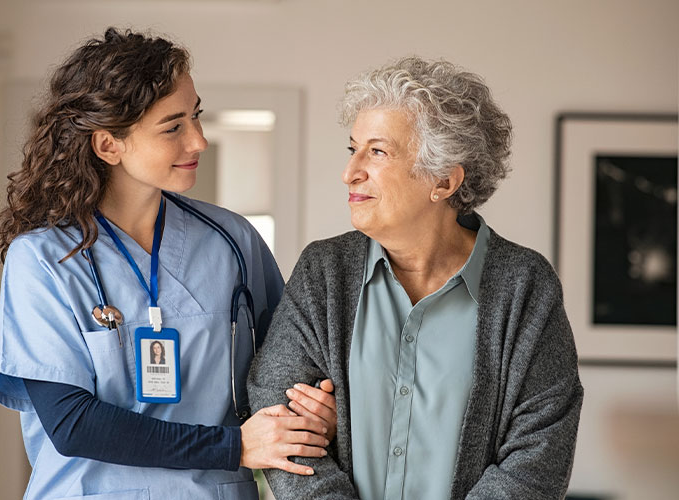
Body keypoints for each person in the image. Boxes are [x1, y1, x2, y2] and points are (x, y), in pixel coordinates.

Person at [0, 27, 337, 499]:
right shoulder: (46, 259)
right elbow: (72, 422)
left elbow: (290, 368)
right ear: (109, 144)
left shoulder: (232, 241)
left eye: (196, 117)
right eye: (173, 127)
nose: (198, 141)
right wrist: (232, 447)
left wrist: (312, 407)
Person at [248, 56, 583, 499]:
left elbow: (538, 455)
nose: (350, 172)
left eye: (378, 151)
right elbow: (280, 417)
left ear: (443, 181)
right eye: (354, 149)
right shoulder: (324, 272)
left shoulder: (525, 286)